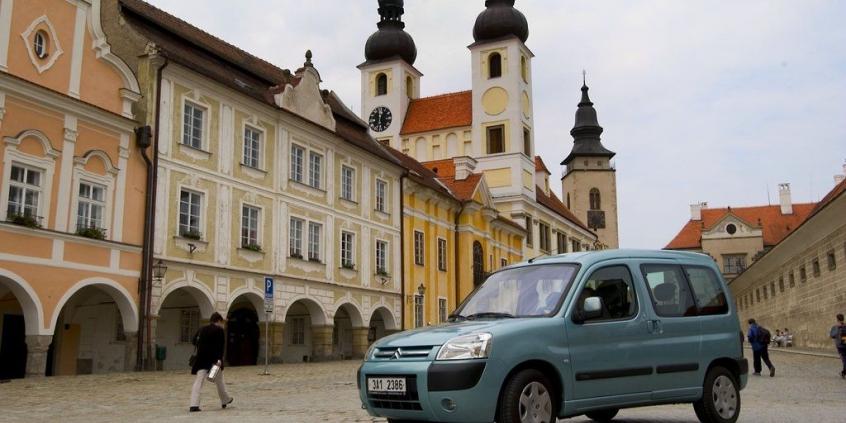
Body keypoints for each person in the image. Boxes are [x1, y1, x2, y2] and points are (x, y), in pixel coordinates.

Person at [189, 312, 233, 412]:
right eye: (222, 322)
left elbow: (194, 341)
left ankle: (193, 404)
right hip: (214, 360)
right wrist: (219, 360)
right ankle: (225, 399)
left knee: (199, 382)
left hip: (201, 359)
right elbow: (220, 347)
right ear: (219, 321)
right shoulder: (219, 330)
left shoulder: (202, 329)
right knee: (219, 380)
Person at [830, 314, 846, 379]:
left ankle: (844, 372)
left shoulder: (835, 327)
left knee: (844, 359)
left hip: (840, 346)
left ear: (837, 319)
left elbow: (832, 335)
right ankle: (843, 372)